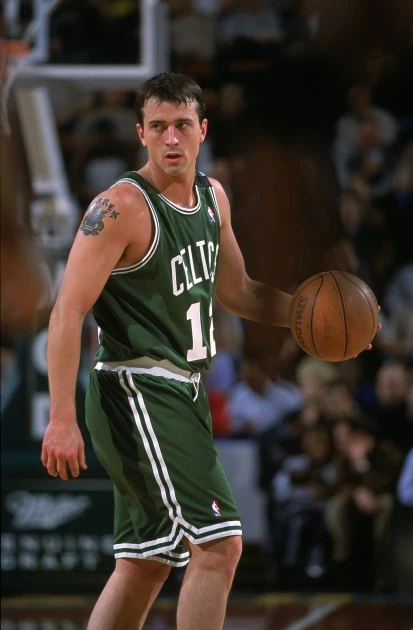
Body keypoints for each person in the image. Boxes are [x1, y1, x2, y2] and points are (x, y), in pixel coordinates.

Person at [40, 72, 376, 630]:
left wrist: (312, 316)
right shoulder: (120, 206)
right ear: (141, 134)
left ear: (202, 129)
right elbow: (66, 311)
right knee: (220, 548)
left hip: (184, 391)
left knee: (145, 564)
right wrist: (60, 416)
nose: (171, 138)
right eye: (158, 127)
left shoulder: (213, 197)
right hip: (137, 386)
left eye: (181, 125)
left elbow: (238, 291)